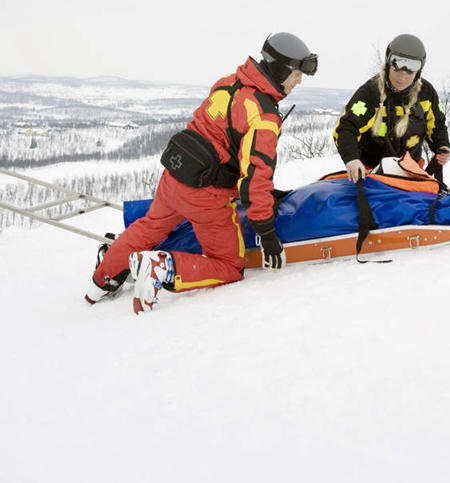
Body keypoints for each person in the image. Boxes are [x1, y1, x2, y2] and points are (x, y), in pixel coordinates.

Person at [85, 32, 318, 313]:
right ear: (280, 69)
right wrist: (267, 234)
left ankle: (100, 283)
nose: (298, 81)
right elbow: (256, 178)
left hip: (175, 176)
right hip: (208, 194)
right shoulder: (264, 115)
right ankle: (163, 267)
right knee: (229, 265)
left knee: (150, 225)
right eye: (295, 74)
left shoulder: (228, 82)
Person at [334, 34, 450, 182]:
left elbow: (437, 125)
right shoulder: (370, 93)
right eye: (397, 64)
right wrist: (351, 159)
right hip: (372, 172)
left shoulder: (426, 94)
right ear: (388, 62)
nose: (403, 75)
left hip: (410, 169)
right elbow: (346, 128)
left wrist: (442, 145)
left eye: (411, 68)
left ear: (418, 71)